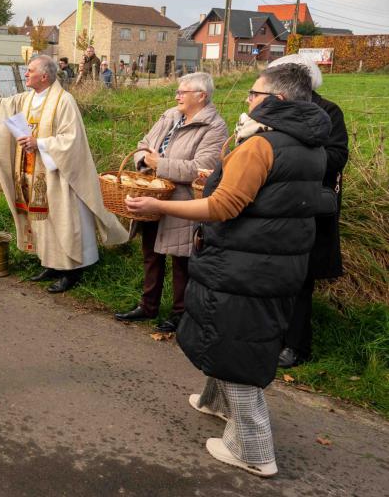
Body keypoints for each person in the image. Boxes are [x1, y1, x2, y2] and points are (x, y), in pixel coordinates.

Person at [125, 64, 331, 477]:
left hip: (245, 261)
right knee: (230, 334)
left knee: (236, 345)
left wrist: (159, 206)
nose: (247, 101)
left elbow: (222, 205)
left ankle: (255, 450)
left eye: (254, 95)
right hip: (277, 259)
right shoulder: (310, 145)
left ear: (278, 101)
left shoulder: (262, 146)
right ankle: (214, 403)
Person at [0, 54, 128, 292]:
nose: (26, 74)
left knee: (63, 219)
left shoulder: (64, 101)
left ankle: (72, 269)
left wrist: (39, 143)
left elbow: (72, 140)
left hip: (59, 173)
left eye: (30, 70)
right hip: (33, 172)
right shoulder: (27, 99)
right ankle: (51, 264)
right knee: (42, 220)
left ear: (45, 76)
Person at [115, 72, 228, 332]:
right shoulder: (170, 115)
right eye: (178, 91)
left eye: (183, 92)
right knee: (150, 252)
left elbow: (204, 168)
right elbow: (144, 143)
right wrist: (145, 161)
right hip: (152, 192)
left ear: (201, 96)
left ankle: (181, 313)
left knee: (182, 259)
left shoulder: (214, 127)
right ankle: (147, 305)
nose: (177, 95)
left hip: (183, 202)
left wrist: (160, 164)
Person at [267, 55, 349, 368]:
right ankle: (272, 336)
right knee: (274, 274)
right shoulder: (275, 107)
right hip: (276, 202)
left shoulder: (328, 111)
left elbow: (336, 157)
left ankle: (297, 345)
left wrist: (292, 153)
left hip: (308, 205)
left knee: (301, 278)